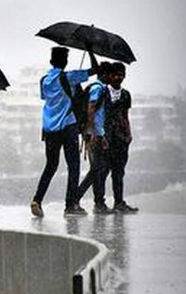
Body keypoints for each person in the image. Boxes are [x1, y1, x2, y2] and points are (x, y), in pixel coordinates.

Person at [31, 46, 99, 218]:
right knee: (73, 166)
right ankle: (70, 205)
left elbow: (45, 98)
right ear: (65, 61)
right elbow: (95, 70)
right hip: (68, 126)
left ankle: (37, 200)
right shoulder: (69, 77)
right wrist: (90, 51)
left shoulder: (44, 80)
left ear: (51, 61)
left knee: (51, 165)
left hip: (49, 128)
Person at [77, 62, 115, 214]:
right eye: (110, 74)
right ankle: (76, 198)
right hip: (94, 134)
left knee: (99, 169)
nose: (112, 77)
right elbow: (91, 110)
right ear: (105, 74)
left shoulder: (101, 88)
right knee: (97, 169)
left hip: (97, 133)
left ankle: (99, 203)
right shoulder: (97, 88)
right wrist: (93, 133)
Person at [105, 63, 139, 214]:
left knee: (119, 172)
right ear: (109, 76)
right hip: (105, 138)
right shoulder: (102, 92)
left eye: (121, 74)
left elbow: (125, 115)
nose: (118, 77)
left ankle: (119, 202)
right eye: (115, 74)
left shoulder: (126, 95)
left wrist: (129, 134)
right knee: (101, 172)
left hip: (120, 138)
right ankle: (99, 203)